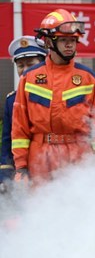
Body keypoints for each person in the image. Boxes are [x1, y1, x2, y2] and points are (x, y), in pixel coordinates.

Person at [10, 9, 95, 182]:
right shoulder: (29, 78)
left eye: (73, 40)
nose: (70, 45)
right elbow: (19, 127)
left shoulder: (88, 78)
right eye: (63, 40)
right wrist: (21, 166)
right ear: (48, 42)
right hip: (41, 156)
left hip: (79, 155)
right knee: (43, 205)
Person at [1, 37, 47, 188]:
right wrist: (6, 175)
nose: (25, 70)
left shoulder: (56, 93)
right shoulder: (11, 100)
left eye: (31, 64)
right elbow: (8, 141)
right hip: (25, 172)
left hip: (53, 163)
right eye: (20, 65)